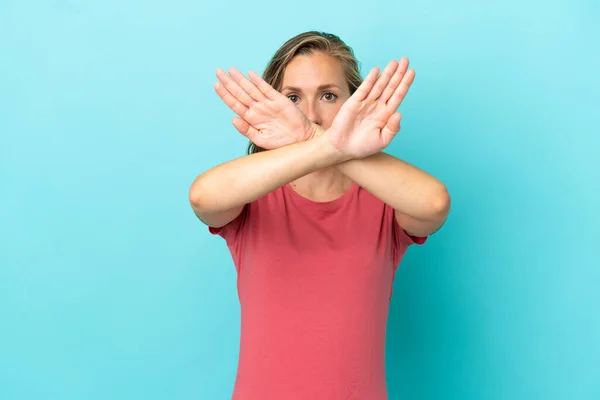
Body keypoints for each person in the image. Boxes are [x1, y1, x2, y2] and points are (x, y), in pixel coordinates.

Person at [189, 31, 451, 400]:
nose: (310, 114)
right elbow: (203, 197)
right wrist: (324, 143)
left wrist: (317, 142)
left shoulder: (384, 201)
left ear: (353, 103)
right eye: (293, 97)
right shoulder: (254, 197)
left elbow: (434, 204)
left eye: (328, 95)